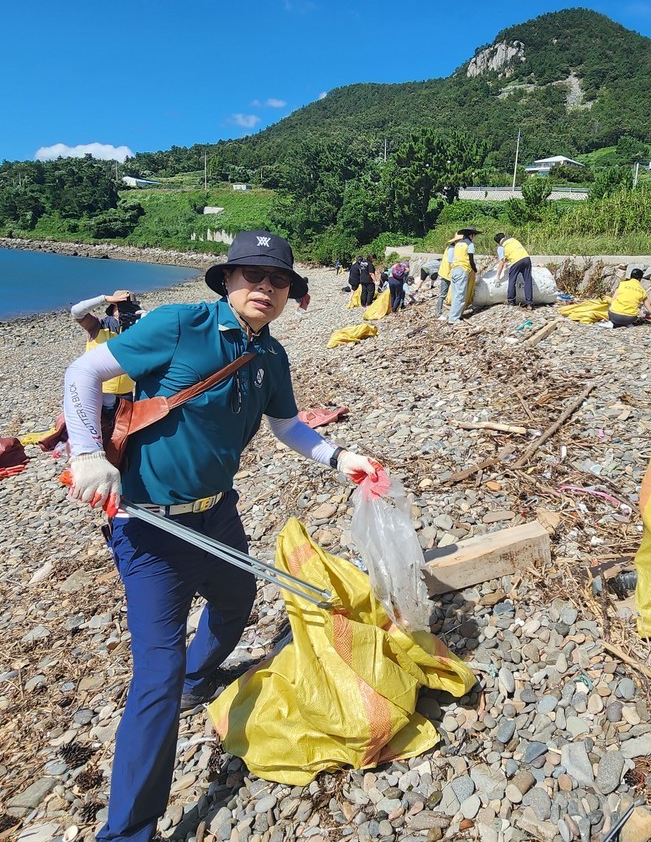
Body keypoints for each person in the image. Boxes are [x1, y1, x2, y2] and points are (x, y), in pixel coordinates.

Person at [62, 230, 380, 842]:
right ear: (228, 280)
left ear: (290, 293)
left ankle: (197, 679)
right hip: (148, 527)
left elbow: (287, 425)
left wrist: (342, 459)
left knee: (236, 600)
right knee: (154, 673)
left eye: (278, 279)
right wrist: (85, 455)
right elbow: (86, 371)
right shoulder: (181, 325)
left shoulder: (272, 358)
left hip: (217, 513)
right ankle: (127, 831)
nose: (265, 286)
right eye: (251, 274)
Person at [69, 290, 143, 411]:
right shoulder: (98, 326)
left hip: (126, 394)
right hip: (97, 391)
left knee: (125, 428)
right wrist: (104, 299)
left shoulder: (137, 331)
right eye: (121, 306)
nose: (124, 310)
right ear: (112, 307)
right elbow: (76, 311)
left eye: (129, 307)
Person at [446, 228, 479, 324]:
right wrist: (475, 269)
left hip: (454, 270)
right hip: (462, 270)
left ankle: (454, 315)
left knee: (455, 294)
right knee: (460, 295)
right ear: (472, 235)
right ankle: (453, 318)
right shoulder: (470, 245)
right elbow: (471, 260)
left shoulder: (458, 244)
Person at [493, 232, 534, 309]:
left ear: (498, 242)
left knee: (512, 281)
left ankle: (511, 301)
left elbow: (502, 262)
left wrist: (498, 276)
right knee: (528, 281)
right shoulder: (513, 240)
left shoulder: (501, 247)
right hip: (526, 258)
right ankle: (529, 303)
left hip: (516, 261)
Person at [434, 241, 456, 319]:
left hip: (445, 273)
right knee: (443, 294)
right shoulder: (452, 249)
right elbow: (451, 261)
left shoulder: (449, 247)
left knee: (446, 294)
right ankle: (439, 313)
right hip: (447, 274)